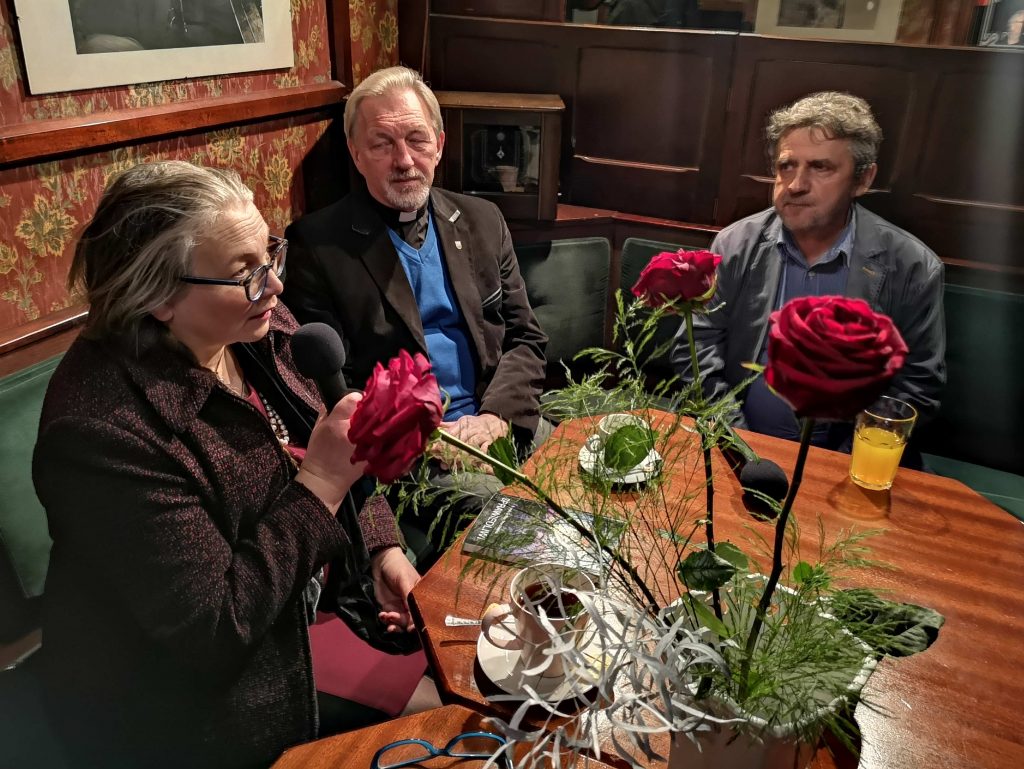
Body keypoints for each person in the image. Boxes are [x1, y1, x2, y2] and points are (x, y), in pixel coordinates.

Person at [32, 161, 420, 768]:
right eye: (246, 274)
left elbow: (334, 440)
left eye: (271, 256)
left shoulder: (258, 324)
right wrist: (320, 484)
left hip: (314, 611)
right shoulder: (101, 431)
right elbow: (213, 628)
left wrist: (380, 550)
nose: (276, 286)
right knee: (458, 717)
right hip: (205, 704)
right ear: (158, 295)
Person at [282, 66, 548, 555]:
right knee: (519, 526)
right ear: (356, 153)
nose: (404, 160)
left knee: (594, 477)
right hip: (417, 453)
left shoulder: (482, 220)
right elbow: (334, 390)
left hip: (501, 418)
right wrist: (428, 437)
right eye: (382, 144)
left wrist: (497, 417)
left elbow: (526, 338)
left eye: (416, 139)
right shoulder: (318, 246)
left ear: (439, 145)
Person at [671, 92, 945, 454]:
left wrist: (837, 462)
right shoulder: (735, 244)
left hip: (845, 460)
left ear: (863, 179)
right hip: (735, 443)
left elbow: (917, 386)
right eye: (787, 166)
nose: (796, 184)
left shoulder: (912, 265)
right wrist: (741, 446)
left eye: (820, 167)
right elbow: (695, 350)